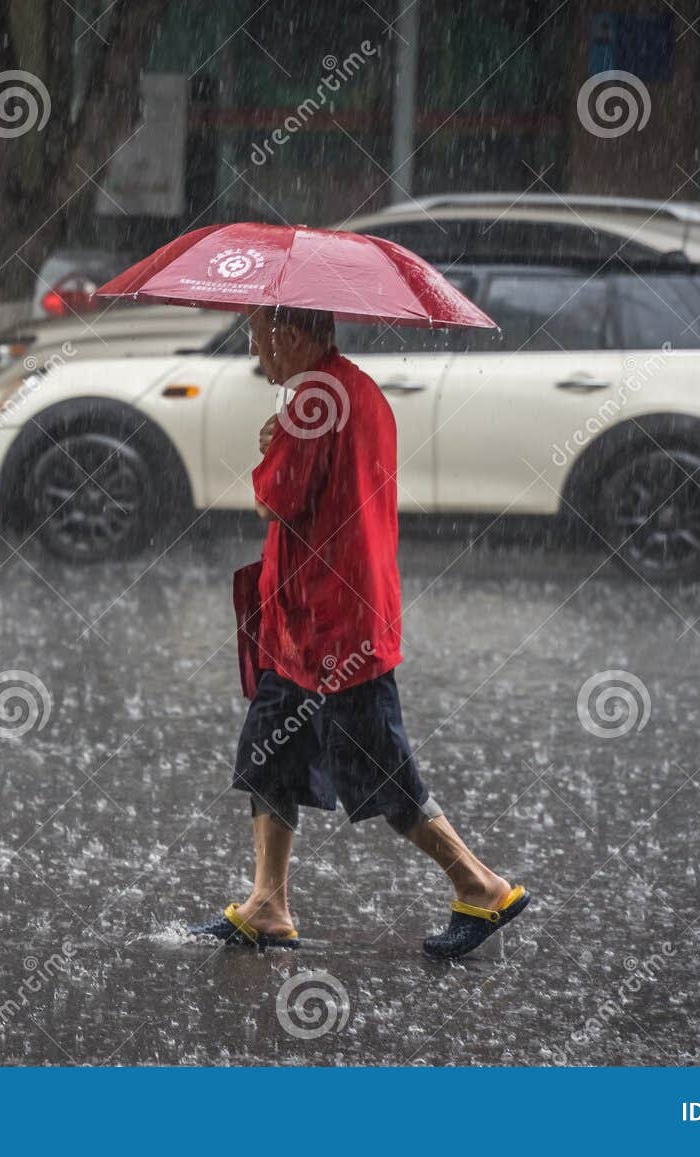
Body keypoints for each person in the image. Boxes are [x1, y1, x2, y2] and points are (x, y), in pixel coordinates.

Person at [196, 305, 530, 960]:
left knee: (381, 771)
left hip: (334, 631)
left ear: (291, 335)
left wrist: (273, 448)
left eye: (257, 336)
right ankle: (268, 902)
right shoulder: (351, 389)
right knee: (270, 753)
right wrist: (284, 437)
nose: (254, 351)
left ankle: (481, 885)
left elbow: (275, 498)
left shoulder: (317, 396)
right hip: (304, 628)